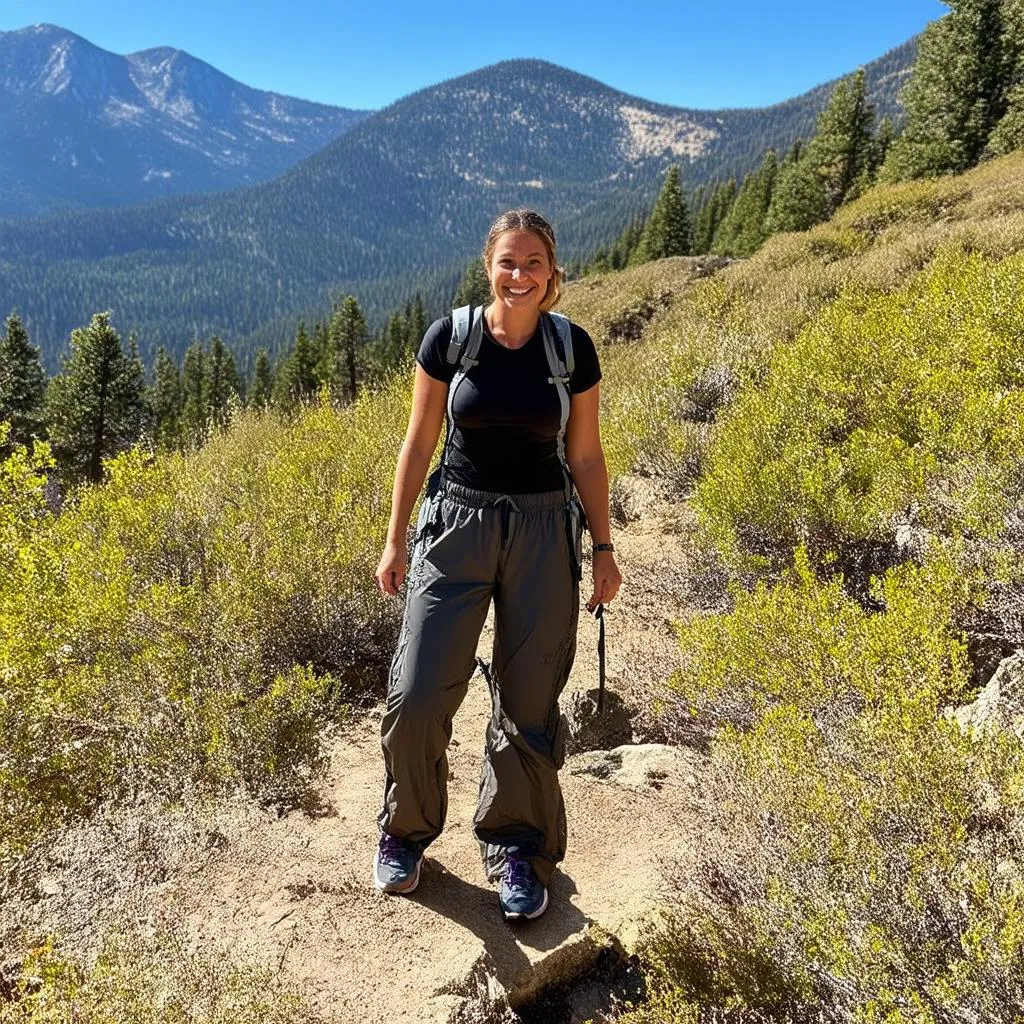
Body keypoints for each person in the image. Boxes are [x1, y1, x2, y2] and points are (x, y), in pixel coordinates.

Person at [372, 208, 621, 922]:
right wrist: (395, 540)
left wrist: (603, 547)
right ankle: (405, 833)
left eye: (534, 263)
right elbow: (417, 444)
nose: (520, 275)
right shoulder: (451, 340)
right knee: (418, 689)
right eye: (508, 262)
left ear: (553, 274)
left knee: (528, 700)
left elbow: (586, 455)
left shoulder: (570, 348)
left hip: (545, 530)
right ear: (489, 266)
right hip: (455, 523)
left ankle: (515, 847)